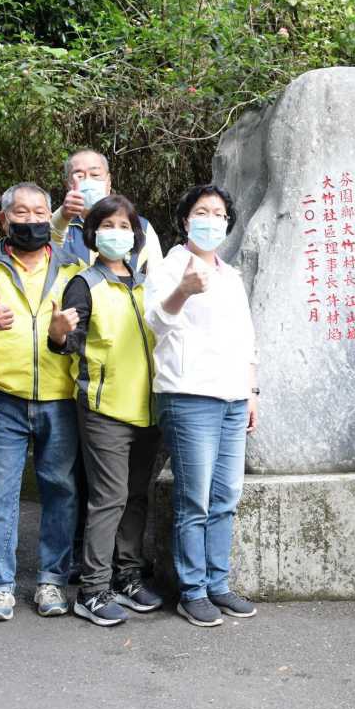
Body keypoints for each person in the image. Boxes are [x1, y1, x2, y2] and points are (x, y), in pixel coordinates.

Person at [0, 182, 86, 621]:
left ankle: (52, 581)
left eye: (39, 213)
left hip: (61, 398)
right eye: (21, 213)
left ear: (51, 217)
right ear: (3, 219)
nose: (30, 221)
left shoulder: (73, 266)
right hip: (2, 398)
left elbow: (88, 329)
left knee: (61, 491)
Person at [144, 184, 259, 628]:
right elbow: (157, 321)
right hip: (190, 396)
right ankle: (192, 590)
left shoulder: (230, 276)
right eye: (201, 212)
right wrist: (185, 290)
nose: (211, 220)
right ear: (186, 220)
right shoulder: (169, 266)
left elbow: (247, 339)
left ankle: (218, 583)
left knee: (226, 495)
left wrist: (251, 392)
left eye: (219, 214)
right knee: (195, 498)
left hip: (232, 397)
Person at [48, 194, 163, 626]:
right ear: (93, 235)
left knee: (136, 496)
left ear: (137, 234)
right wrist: (60, 334)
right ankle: (93, 590)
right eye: (108, 226)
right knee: (109, 498)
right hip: (104, 408)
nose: (118, 233)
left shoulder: (149, 282)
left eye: (125, 226)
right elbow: (66, 345)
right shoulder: (83, 283)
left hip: (148, 407)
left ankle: (127, 576)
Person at [51, 149, 163, 271]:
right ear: (68, 185)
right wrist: (63, 216)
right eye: (79, 176)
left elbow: (157, 281)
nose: (88, 181)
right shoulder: (60, 225)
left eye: (95, 175)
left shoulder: (141, 227)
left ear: (108, 182)